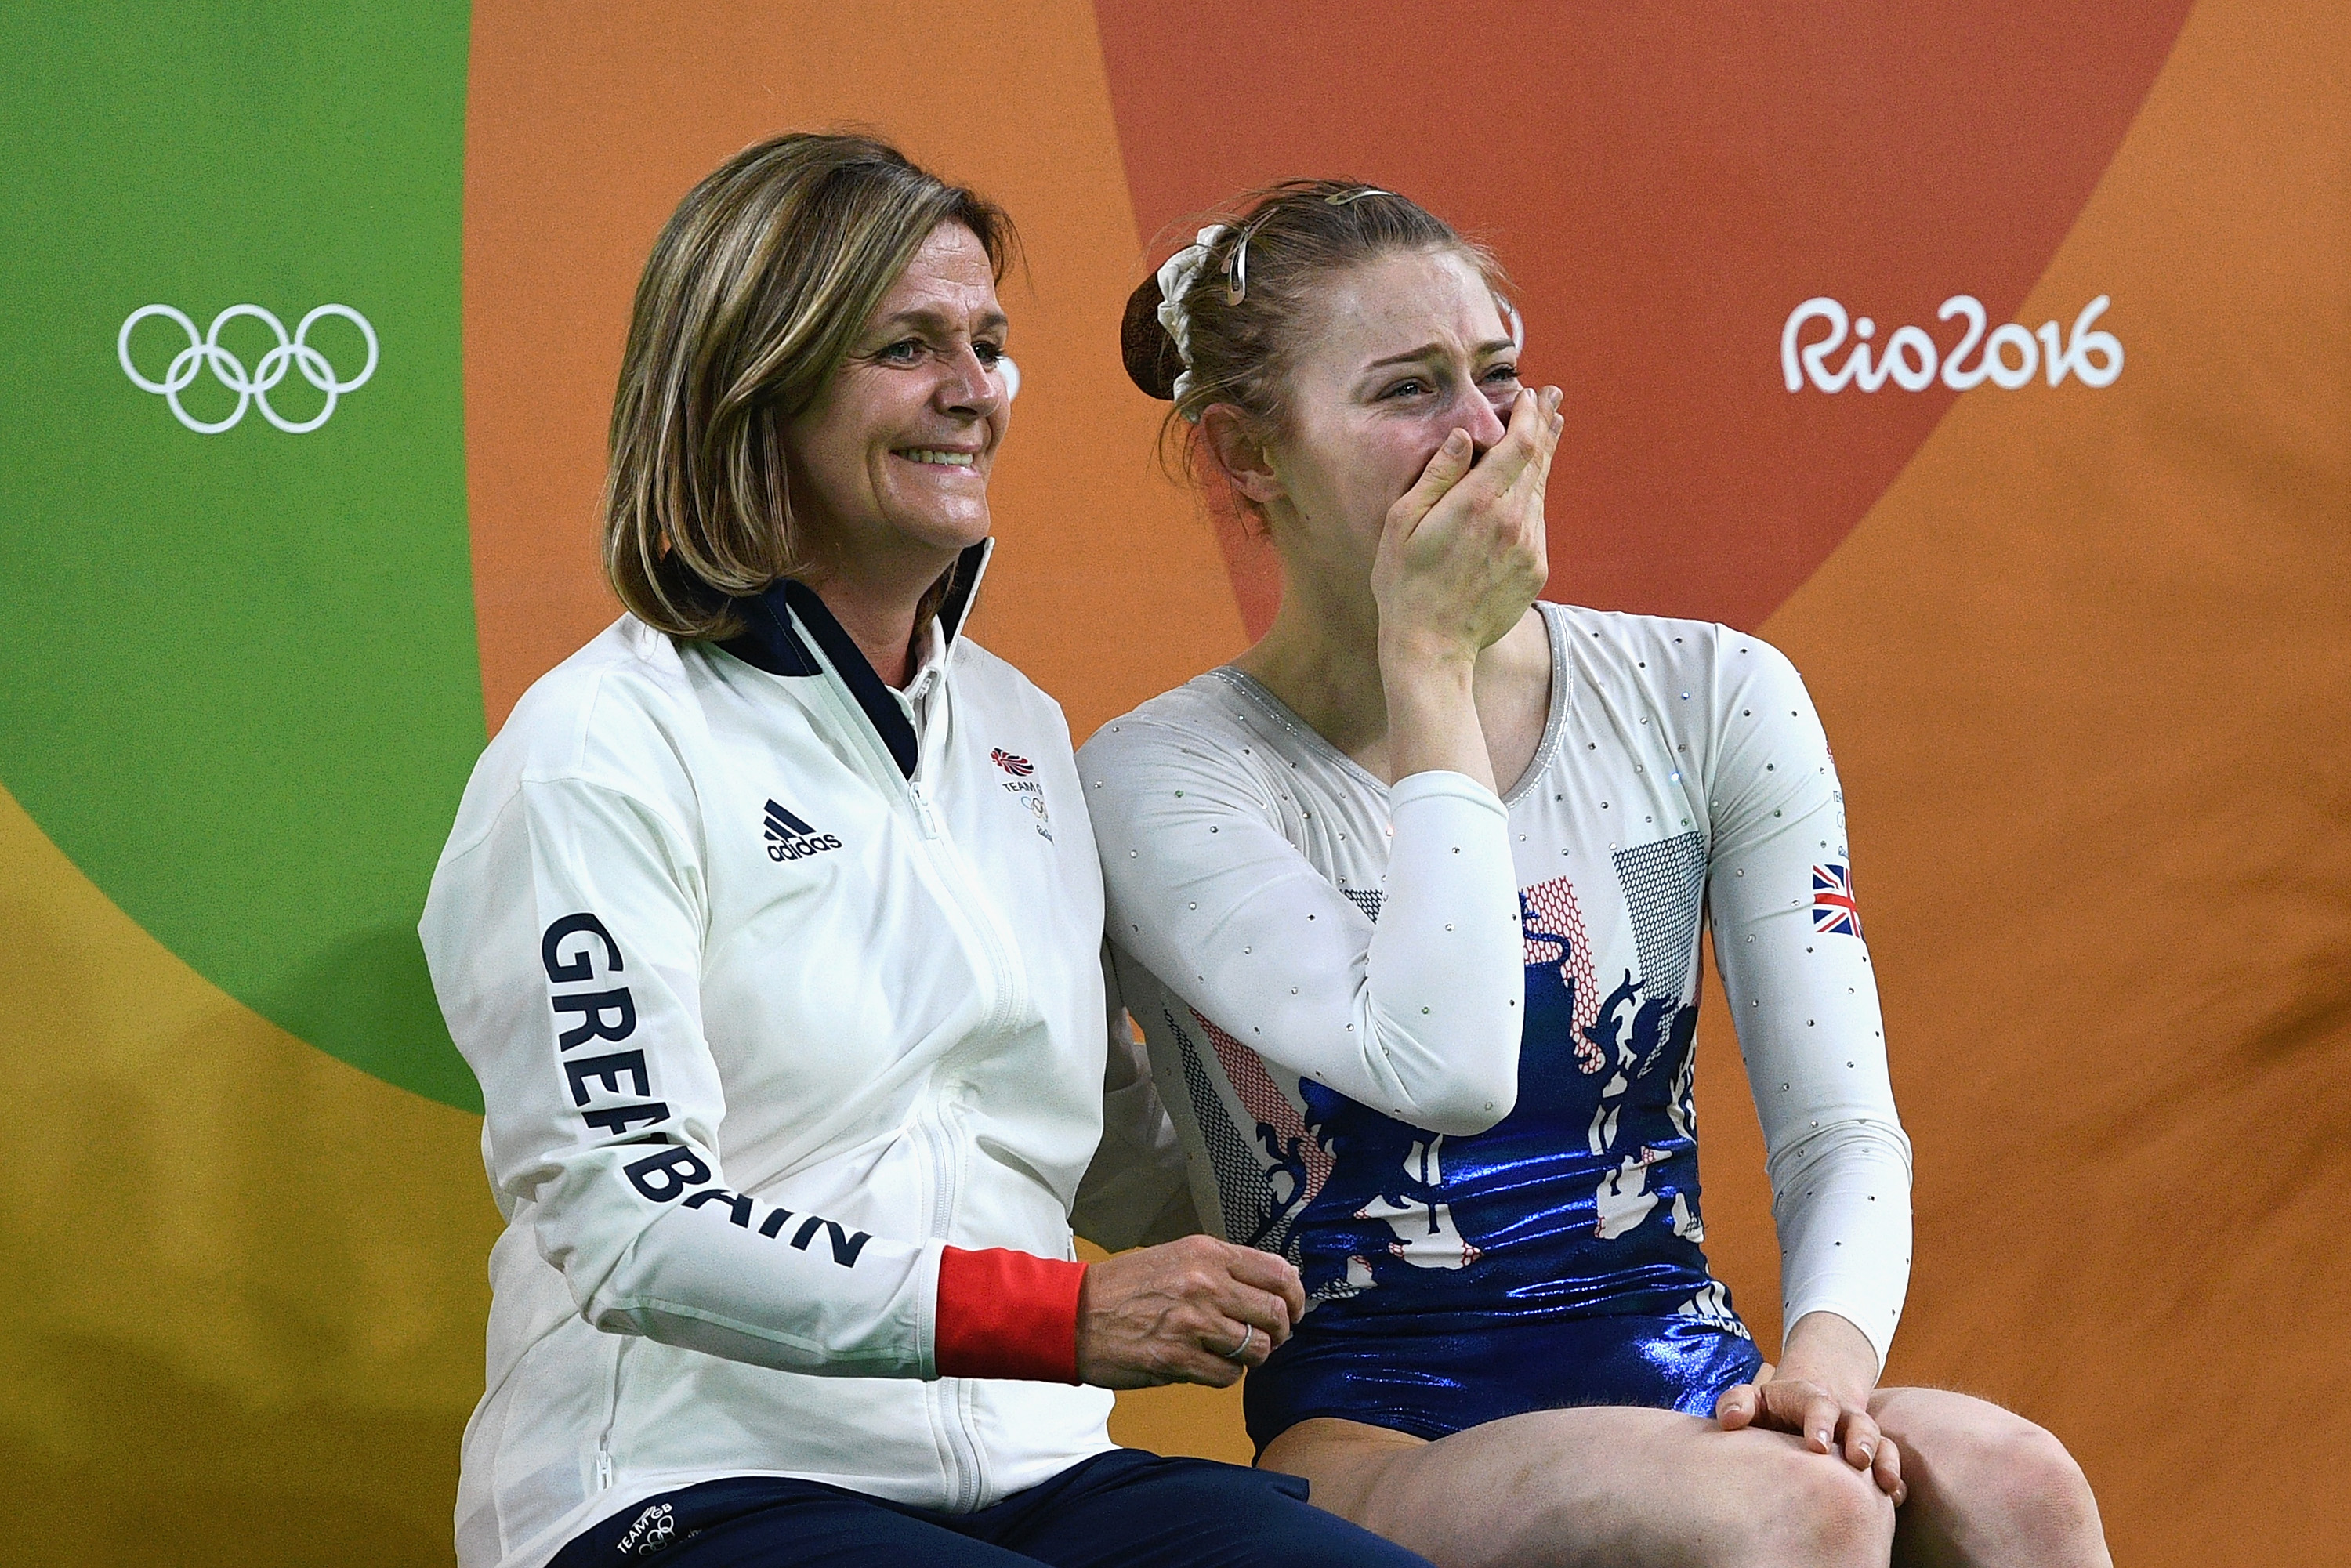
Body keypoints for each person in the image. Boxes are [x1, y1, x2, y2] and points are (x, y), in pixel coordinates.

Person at [419, 135, 1438, 1568]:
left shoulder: (1017, 729)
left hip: (1028, 1475)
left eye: (989, 343)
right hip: (689, 1480)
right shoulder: (600, 745)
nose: (974, 391)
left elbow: (1105, 1136)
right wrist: (1063, 1317)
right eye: (909, 347)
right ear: (756, 383)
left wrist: (1396, 1239)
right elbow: (631, 1219)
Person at [1080, 180, 2113, 1567]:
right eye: (1406, 390)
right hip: (1389, 1416)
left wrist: (1821, 1361)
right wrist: (1430, 659)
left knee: (2015, 1480)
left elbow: (1838, 1129)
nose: (1482, 433)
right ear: (1246, 452)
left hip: (1687, 1359)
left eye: (1497, 374)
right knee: (1798, 1508)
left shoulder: (1709, 690)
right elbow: (1441, 1071)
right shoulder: (1166, 773)